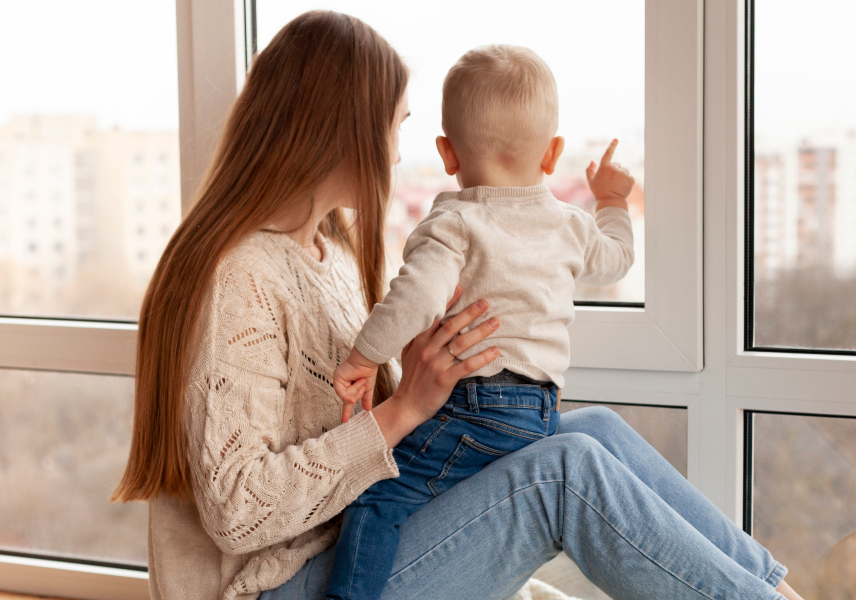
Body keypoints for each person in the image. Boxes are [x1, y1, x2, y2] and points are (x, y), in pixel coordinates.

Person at [111, 10, 803, 600]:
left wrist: (427, 378)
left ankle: (770, 589)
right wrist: (405, 407)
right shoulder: (241, 277)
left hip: (348, 544)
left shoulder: (331, 255)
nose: (398, 148)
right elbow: (241, 511)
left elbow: (366, 432)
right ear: (341, 132)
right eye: (394, 125)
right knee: (566, 473)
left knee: (589, 431)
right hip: (278, 584)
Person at [324, 44, 635, 600]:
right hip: (540, 410)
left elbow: (415, 296)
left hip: (476, 404)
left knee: (377, 496)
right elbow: (616, 258)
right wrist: (610, 201)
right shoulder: (569, 224)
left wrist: (362, 357)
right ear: (552, 153)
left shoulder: (456, 221)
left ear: (446, 153)